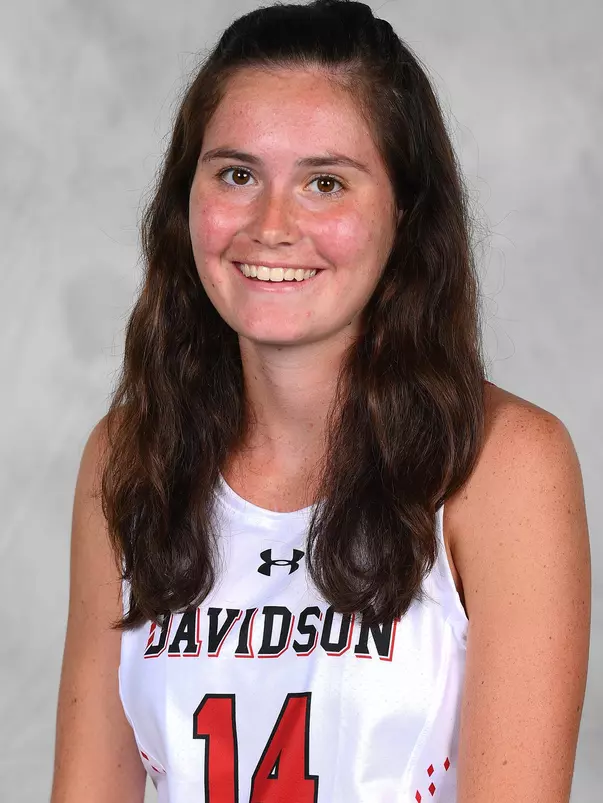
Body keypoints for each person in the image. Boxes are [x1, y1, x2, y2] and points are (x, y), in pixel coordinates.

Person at [50, 1, 591, 801]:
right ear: (185, 197)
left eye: (325, 182)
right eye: (236, 174)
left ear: (403, 214)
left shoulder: (505, 464)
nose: (271, 225)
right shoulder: (132, 453)